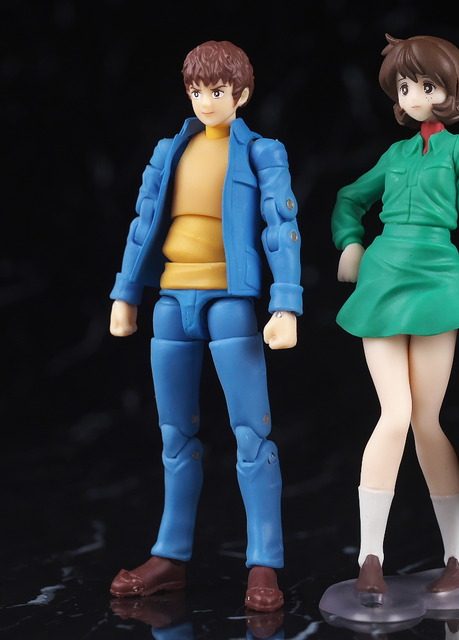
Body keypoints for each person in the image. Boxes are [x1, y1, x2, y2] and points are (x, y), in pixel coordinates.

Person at [108, 40, 302, 612]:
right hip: (172, 297)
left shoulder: (261, 152)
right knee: (175, 437)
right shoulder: (171, 150)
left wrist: (286, 303)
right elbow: (144, 221)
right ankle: (170, 556)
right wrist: (126, 293)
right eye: (196, 91)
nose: (205, 101)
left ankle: (264, 561)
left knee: (252, 436)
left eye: (216, 91)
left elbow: (280, 227)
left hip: (229, 299)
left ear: (241, 94)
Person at [331, 34, 459, 598]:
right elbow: (349, 198)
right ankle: (370, 557)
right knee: (393, 414)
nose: (414, 96)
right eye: (405, 87)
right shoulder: (394, 156)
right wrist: (351, 243)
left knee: (426, 422)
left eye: (426, 85)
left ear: (449, 89)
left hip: (438, 282)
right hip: (383, 281)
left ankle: (457, 558)